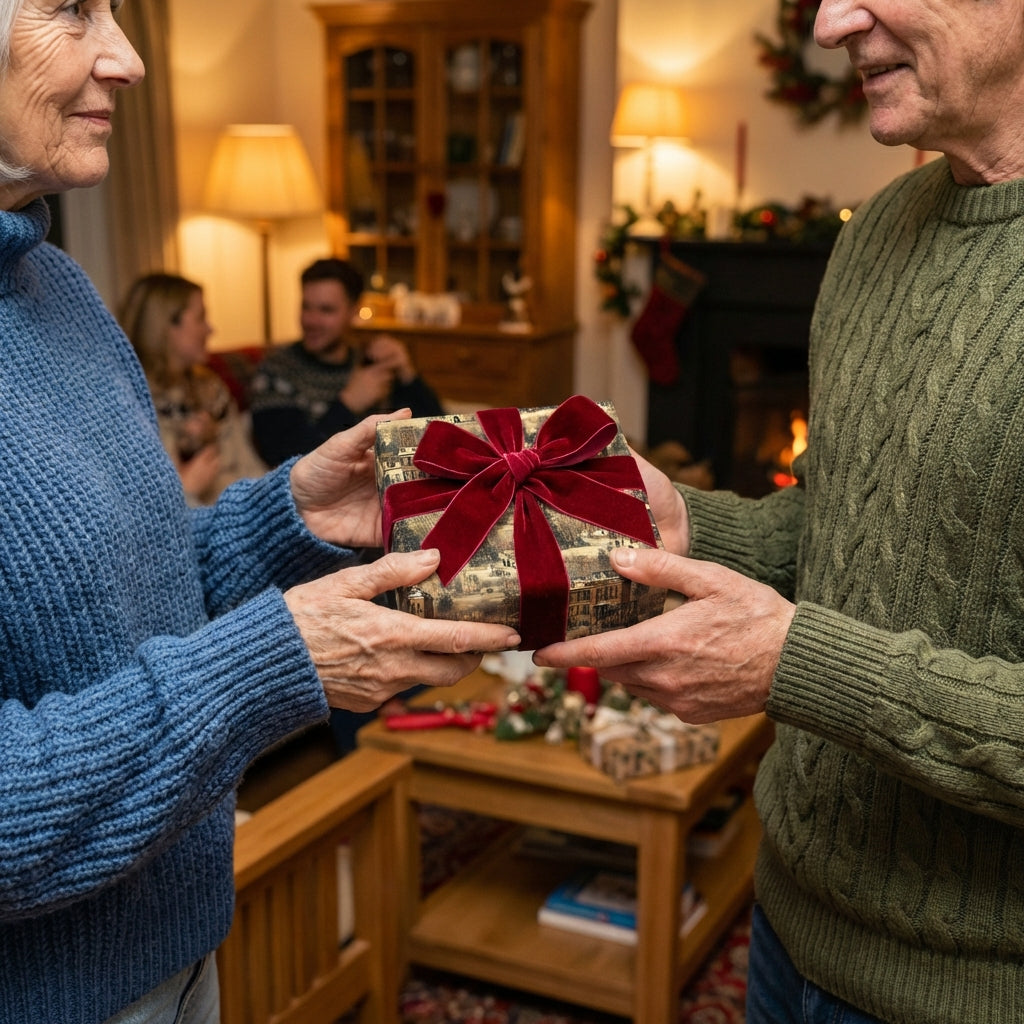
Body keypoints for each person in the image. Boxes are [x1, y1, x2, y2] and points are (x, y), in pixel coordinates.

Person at [0, 3, 521, 1023]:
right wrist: (271, 665)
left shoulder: (55, 286)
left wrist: (286, 521)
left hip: (183, 955)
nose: (128, 57)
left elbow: (133, 588)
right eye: (71, 6)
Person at [534, 2, 1024, 1023]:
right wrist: (686, 525)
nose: (831, 21)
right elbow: (845, 533)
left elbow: (818, 651)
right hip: (787, 922)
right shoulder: (876, 230)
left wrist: (796, 664)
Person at [249, 257, 444, 468]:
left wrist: (407, 374)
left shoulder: (368, 361)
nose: (311, 320)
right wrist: (348, 404)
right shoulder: (277, 371)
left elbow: (440, 435)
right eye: (306, 307)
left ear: (353, 311)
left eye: (326, 310)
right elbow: (285, 459)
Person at [119, 272, 267, 505]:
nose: (210, 330)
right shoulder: (127, 398)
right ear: (166, 326)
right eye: (201, 318)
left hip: (241, 508)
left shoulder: (210, 388)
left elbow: (251, 468)